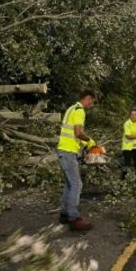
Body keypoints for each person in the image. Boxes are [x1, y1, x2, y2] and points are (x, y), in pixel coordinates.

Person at [57, 89, 97, 231]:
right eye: (92, 102)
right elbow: (78, 133)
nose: (91, 105)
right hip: (68, 152)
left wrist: (84, 144)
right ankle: (74, 219)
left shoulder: (70, 109)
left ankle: (64, 214)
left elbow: (72, 134)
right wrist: (90, 141)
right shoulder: (80, 110)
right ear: (87, 98)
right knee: (76, 184)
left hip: (64, 150)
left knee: (69, 184)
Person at [121, 107, 136, 178]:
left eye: (135, 114)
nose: (134, 116)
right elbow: (128, 136)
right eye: (132, 114)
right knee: (127, 164)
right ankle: (123, 180)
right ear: (130, 115)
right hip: (127, 146)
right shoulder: (127, 123)